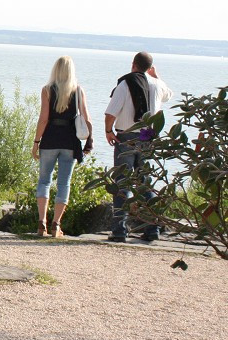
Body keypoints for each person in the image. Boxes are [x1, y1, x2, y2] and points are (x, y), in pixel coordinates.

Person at [104, 52, 173, 242]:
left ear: (133, 64)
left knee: (122, 183)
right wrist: (156, 76)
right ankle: (152, 228)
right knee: (146, 182)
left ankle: (119, 230)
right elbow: (168, 95)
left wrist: (108, 130)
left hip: (126, 137)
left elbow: (111, 112)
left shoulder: (125, 84)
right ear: (150, 67)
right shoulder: (158, 85)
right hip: (148, 137)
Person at [31, 56, 94, 238]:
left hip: (50, 139)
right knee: (64, 183)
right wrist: (89, 142)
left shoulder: (47, 90)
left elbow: (43, 119)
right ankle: (56, 224)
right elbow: (87, 119)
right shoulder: (79, 91)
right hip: (69, 141)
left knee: (44, 181)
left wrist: (36, 142)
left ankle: (41, 222)